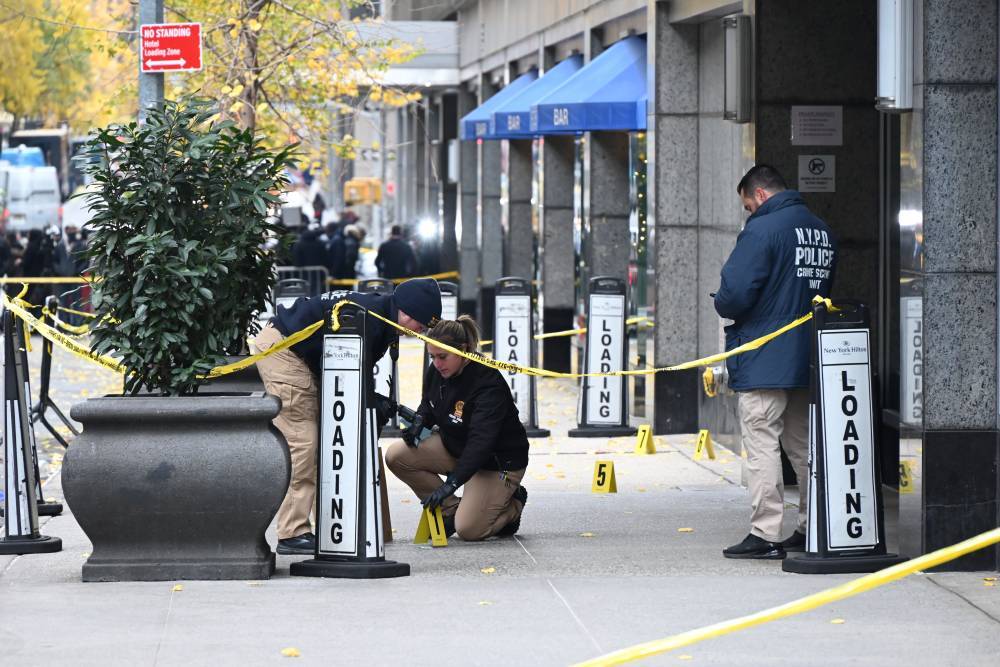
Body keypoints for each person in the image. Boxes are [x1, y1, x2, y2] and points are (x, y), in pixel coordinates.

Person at [251, 278, 443, 555]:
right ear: (408, 313)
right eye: (421, 326)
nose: (419, 332)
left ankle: (328, 525)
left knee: (322, 439)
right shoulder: (372, 321)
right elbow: (346, 370)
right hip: (285, 351)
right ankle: (292, 533)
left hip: (297, 350)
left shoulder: (378, 313)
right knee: (303, 442)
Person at [714, 164, 837, 560]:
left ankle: (765, 531)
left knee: (762, 439)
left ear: (760, 195)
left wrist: (722, 301)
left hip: (766, 354)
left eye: (748, 205)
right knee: (804, 445)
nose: (749, 212)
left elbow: (733, 295)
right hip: (809, 354)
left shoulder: (763, 230)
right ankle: (814, 524)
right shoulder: (821, 230)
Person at [385, 316, 529, 540]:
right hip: (457, 447)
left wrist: (450, 485)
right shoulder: (438, 371)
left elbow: (481, 444)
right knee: (397, 455)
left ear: (465, 350)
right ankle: (450, 509)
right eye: (432, 356)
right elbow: (429, 403)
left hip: (495, 463)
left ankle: (513, 505)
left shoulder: (488, 383)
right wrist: (419, 422)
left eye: (443, 357)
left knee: (469, 530)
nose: (437, 363)